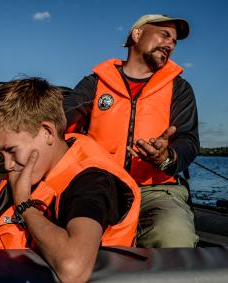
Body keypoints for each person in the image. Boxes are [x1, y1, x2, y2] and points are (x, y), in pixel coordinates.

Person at [0, 78, 140, 282]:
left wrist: (24, 206)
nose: (7, 165)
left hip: (44, 273)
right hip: (14, 266)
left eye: (11, 150)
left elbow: (73, 269)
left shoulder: (91, 181)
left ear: (47, 132)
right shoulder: (32, 168)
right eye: (1, 154)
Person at [64, 14, 200, 248]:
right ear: (137, 35)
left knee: (175, 234)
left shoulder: (180, 88)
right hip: (101, 185)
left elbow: (188, 140)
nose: (170, 44)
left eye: (174, 42)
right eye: (164, 35)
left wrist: (167, 158)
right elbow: (61, 120)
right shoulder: (95, 83)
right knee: (78, 237)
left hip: (157, 191)